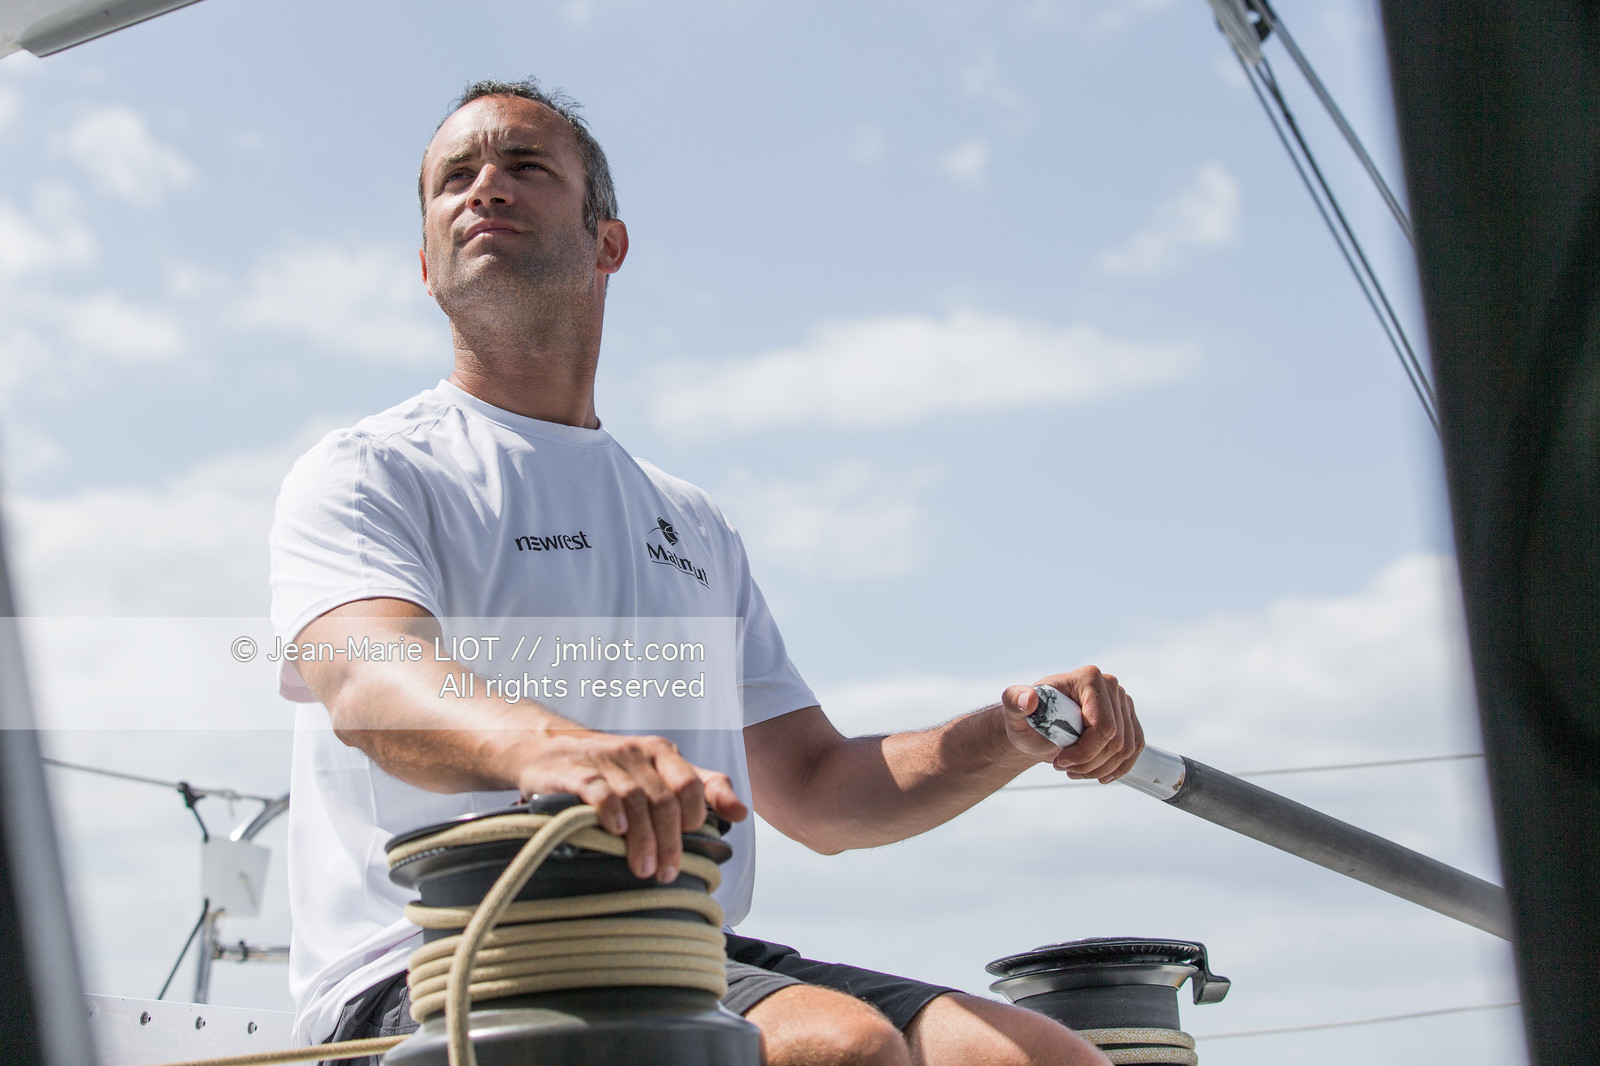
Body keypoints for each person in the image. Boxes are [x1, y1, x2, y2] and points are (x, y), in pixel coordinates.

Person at [269, 77, 1145, 1066]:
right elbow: (370, 680)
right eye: (453, 179)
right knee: (838, 1050)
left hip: (679, 946)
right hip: (438, 957)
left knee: (1049, 1060)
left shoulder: (687, 520)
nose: (483, 189)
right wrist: (548, 749)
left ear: (609, 245)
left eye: (523, 166)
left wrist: (1009, 732)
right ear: (426, 264)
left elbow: (816, 788)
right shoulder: (368, 469)